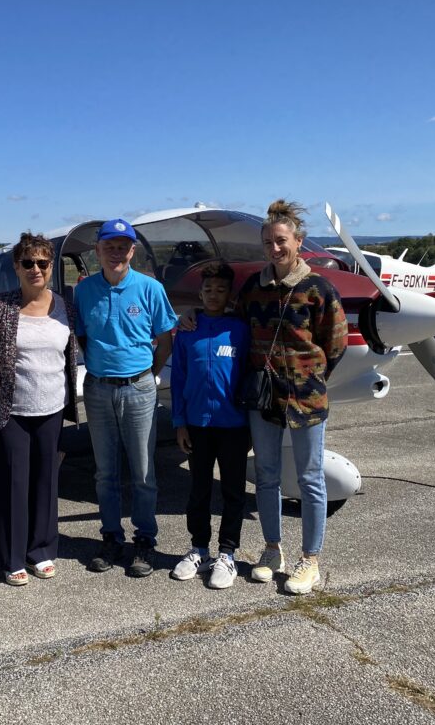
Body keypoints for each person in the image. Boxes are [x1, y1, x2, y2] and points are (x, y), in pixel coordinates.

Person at [241, 200, 347, 593]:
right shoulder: (255, 287)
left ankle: (311, 559)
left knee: (310, 478)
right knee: (266, 476)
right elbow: (239, 328)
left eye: (281, 240)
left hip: (306, 397)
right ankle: (272, 549)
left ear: (298, 241)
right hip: (265, 397)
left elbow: (333, 345)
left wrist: (310, 377)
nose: (274, 248)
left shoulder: (318, 288)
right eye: (268, 242)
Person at [74, 218, 178, 577]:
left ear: (132, 251)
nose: (116, 252)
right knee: (105, 473)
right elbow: (84, 337)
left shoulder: (150, 288)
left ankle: (145, 540)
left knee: (143, 472)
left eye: (123, 246)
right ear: (98, 250)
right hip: (98, 388)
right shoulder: (84, 291)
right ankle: (111, 536)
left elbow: (165, 340)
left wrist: (148, 373)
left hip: (138, 388)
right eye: (109, 245)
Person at [0, 233, 79, 586]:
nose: (36, 269)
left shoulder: (65, 307)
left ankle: (42, 550)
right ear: (16, 267)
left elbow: (69, 354)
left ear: (51, 267)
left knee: (46, 481)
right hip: (9, 410)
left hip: (51, 407)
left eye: (43, 263)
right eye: (28, 263)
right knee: (11, 484)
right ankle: (11, 556)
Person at [169, 261, 251, 589]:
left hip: (234, 425)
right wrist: (180, 422)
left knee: (233, 491)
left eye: (220, 290)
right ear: (200, 293)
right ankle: (199, 549)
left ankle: (227, 554)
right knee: (198, 490)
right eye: (207, 290)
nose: (213, 295)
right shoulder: (188, 330)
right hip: (197, 425)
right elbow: (178, 379)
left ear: (229, 294)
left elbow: (250, 372)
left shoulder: (240, 329)